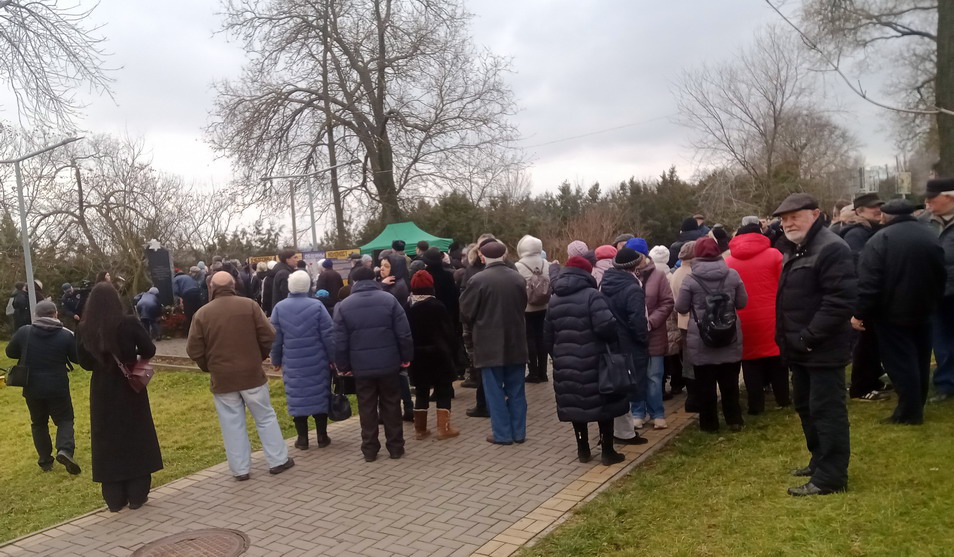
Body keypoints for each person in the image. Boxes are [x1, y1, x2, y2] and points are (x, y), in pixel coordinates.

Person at [773, 193, 855, 496]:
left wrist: (808, 337)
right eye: (784, 219)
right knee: (806, 406)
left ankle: (830, 477)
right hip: (800, 349)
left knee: (827, 411)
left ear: (816, 214)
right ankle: (819, 460)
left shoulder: (832, 248)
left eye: (795, 216)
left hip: (821, 348)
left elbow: (839, 301)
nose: (788, 223)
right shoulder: (796, 249)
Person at [187, 272, 294, 480]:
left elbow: (194, 349)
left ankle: (240, 470)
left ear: (211, 288)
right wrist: (258, 356)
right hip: (251, 374)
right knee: (265, 417)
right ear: (234, 284)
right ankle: (278, 460)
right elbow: (269, 335)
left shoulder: (202, 314)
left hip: (222, 378)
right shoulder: (250, 306)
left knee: (231, 424)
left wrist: (209, 366)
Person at [853, 199, 946, 424]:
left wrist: (860, 313)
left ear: (885, 216)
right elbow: (941, 273)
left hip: (891, 313)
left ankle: (909, 413)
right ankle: (917, 404)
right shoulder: (930, 235)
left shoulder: (880, 239)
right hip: (924, 310)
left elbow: (869, 282)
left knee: (901, 363)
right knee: (921, 359)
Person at [75, 283, 162, 511]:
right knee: (136, 436)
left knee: (107, 440)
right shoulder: (129, 323)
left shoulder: (84, 328)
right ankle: (137, 494)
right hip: (130, 387)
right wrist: (133, 358)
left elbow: (84, 363)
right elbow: (149, 350)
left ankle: (114, 497)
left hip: (102, 391)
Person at [544, 256, 627, 465]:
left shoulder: (554, 299)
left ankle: (583, 450)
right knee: (604, 406)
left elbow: (547, 336)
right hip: (594, 362)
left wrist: (558, 356)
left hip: (565, 364)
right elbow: (606, 326)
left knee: (576, 407)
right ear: (587, 273)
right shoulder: (592, 296)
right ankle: (607, 451)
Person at [334, 266, 413, 461]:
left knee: (366, 406)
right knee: (392, 404)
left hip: (361, 366)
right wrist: (406, 357)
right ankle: (396, 447)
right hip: (389, 363)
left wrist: (343, 366)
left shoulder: (344, 306)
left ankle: (369, 449)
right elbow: (404, 333)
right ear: (374, 278)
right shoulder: (389, 300)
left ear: (354, 281)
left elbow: (339, 341)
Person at [460, 239, 529, 445]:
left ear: (482, 256)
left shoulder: (478, 280)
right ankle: (519, 432)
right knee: (517, 390)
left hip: (489, 345)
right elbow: (523, 305)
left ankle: (502, 434)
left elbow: (466, 311)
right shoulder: (517, 278)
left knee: (494, 391)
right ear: (503, 255)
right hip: (516, 341)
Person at [675, 237, 748, 433]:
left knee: (705, 387)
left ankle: (709, 425)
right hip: (730, 335)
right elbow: (742, 302)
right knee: (730, 383)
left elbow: (681, 307)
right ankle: (734, 420)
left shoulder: (690, 279)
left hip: (702, 338)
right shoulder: (732, 275)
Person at [6, 300, 80, 473]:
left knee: (38, 423)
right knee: (64, 419)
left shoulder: (24, 332)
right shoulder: (65, 335)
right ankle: (64, 449)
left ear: (36, 315)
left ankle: (45, 460)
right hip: (58, 385)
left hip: (31, 385)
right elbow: (77, 358)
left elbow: (10, 352)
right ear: (55, 314)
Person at [726, 217, 789, 414]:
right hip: (772, 315)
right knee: (777, 359)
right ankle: (783, 399)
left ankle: (756, 405)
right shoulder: (774, 255)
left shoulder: (728, 261)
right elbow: (784, 284)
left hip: (744, 318)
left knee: (750, 363)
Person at [270, 270, 336, 449]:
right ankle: (322, 436)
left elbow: (276, 339)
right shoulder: (317, 306)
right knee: (320, 395)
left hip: (293, 362)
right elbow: (328, 335)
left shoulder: (279, 308)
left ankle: (302, 439)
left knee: (297, 397)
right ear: (308, 286)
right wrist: (333, 358)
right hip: (317, 360)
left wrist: (275, 360)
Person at [840, 193, 889, 402]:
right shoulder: (856, 234)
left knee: (872, 341)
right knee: (864, 343)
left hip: (871, 294)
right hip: (860, 294)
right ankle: (860, 388)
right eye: (872, 207)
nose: (878, 210)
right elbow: (859, 266)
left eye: (879, 206)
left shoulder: (872, 230)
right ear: (859, 212)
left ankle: (873, 379)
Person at [600, 248, 650, 447]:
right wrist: (643, 339)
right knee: (629, 388)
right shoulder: (632, 288)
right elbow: (637, 320)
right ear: (634, 265)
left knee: (616, 387)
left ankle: (618, 429)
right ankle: (625, 433)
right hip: (630, 344)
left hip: (611, 343)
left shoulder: (605, 283)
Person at [407, 270, 460, 440]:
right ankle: (443, 429)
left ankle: (420, 429)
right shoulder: (437, 306)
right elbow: (448, 332)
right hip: (439, 355)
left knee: (421, 391)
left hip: (417, 356)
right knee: (443, 390)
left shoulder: (408, 307)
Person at [628, 237, 675, 430]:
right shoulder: (625, 276)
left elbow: (667, 302)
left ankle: (657, 413)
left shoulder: (658, 275)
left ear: (644, 255)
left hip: (654, 333)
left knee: (654, 376)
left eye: (636, 254)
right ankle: (638, 412)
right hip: (633, 335)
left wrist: (651, 321)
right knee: (636, 376)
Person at [922, 178, 954, 403]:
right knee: (941, 340)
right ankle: (946, 383)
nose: (928, 204)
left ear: (949, 197)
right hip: (935, 292)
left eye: (932, 200)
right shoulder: (924, 222)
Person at [516, 235, 551, 383]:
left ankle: (533, 372)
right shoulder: (546, 263)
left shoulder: (518, 266)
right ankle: (543, 373)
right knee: (541, 338)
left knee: (529, 339)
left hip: (527, 308)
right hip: (544, 306)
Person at [172, 268, 202, 334]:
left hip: (187, 294)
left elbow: (176, 290)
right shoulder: (188, 277)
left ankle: (190, 331)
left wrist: (180, 297)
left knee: (188, 313)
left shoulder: (176, 279)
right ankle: (201, 328)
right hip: (196, 291)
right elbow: (196, 283)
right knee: (199, 311)